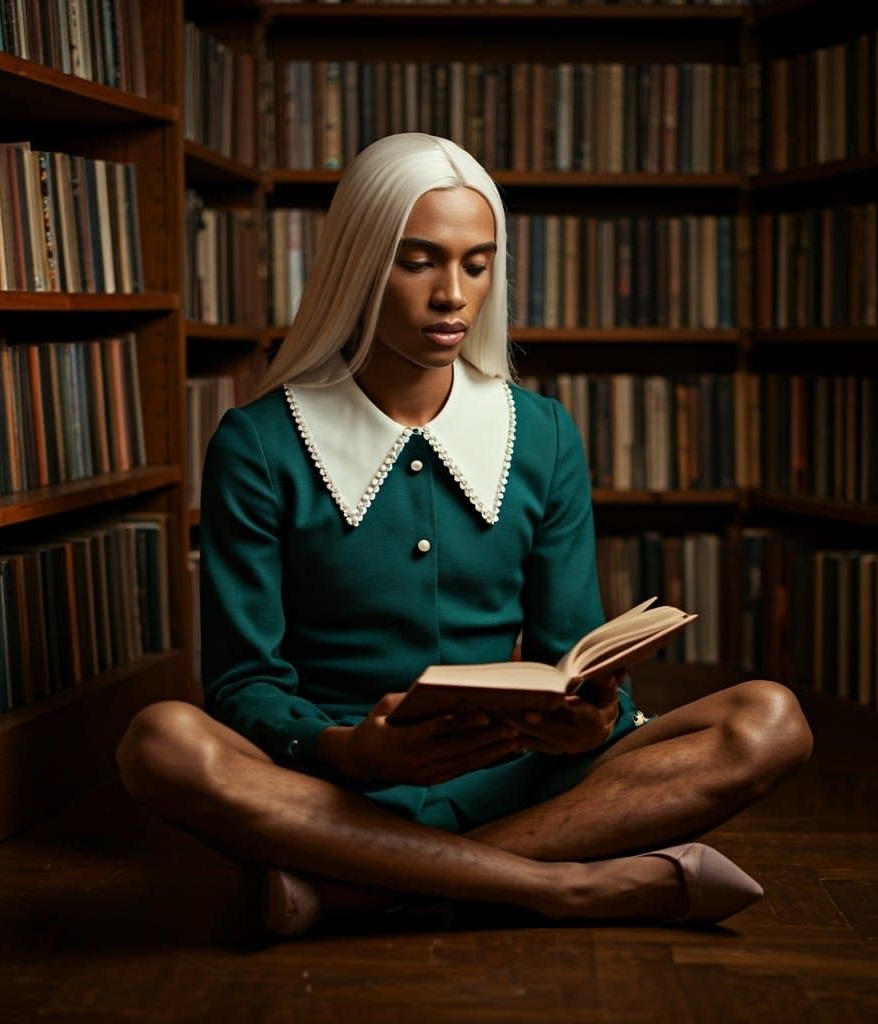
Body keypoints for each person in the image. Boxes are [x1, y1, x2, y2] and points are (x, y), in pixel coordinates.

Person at [115, 134, 813, 939]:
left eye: (476, 264)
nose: (453, 293)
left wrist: (592, 719)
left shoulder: (543, 432)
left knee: (770, 719)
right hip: (332, 784)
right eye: (419, 262)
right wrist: (349, 753)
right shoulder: (260, 443)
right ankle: (559, 889)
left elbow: (569, 653)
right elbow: (242, 686)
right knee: (160, 742)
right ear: (359, 264)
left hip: (519, 778)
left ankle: (363, 890)